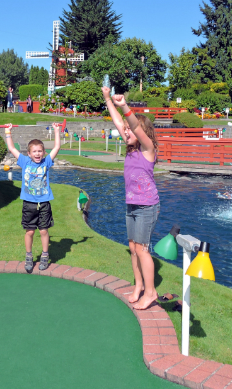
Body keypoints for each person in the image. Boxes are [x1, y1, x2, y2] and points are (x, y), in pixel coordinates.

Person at [102, 86, 160, 310]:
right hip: (132, 206)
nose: (125, 132)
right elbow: (119, 122)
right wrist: (107, 98)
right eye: (124, 130)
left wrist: (124, 105)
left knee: (143, 249)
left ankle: (151, 292)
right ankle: (138, 286)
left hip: (147, 207)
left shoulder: (148, 149)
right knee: (133, 248)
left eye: (129, 130)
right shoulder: (131, 150)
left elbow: (134, 125)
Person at [4, 122, 61, 272]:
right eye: (34, 151)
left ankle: (44, 255)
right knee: (29, 231)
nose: (37, 154)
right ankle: (28, 256)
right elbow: (11, 148)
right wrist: (8, 132)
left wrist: (56, 130)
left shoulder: (47, 162)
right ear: (29, 153)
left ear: (43, 152)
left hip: (44, 203)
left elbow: (56, 148)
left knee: (43, 231)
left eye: (40, 151)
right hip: (29, 203)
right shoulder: (24, 161)